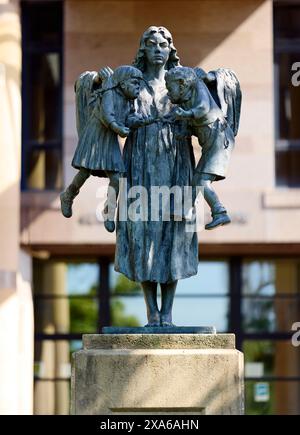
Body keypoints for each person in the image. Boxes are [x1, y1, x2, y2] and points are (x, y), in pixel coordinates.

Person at [101, 26, 199, 327]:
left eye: (163, 44)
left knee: (174, 235)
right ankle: (151, 312)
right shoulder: (131, 81)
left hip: (176, 161)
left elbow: (203, 114)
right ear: (144, 49)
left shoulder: (182, 82)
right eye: (152, 44)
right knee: (141, 234)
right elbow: (109, 113)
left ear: (171, 49)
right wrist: (102, 83)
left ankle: (167, 312)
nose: (158, 49)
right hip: (139, 162)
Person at [60, 65, 143, 233]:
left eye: (139, 85)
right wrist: (118, 128)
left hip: (109, 140)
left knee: (116, 177)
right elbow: (107, 115)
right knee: (85, 171)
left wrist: (137, 121)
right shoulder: (109, 93)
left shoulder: (129, 102)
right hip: (95, 137)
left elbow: (127, 119)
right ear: (122, 83)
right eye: (134, 83)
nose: (137, 88)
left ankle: (109, 210)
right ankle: (68, 194)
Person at [165, 66, 236, 230]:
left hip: (219, 140)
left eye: (170, 89)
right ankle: (185, 210)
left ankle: (219, 212)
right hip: (212, 141)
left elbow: (204, 108)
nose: (168, 94)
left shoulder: (198, 88)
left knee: (202, 180)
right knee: (197, 179)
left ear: (182, 84)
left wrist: (187, 115)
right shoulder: (186, 98)